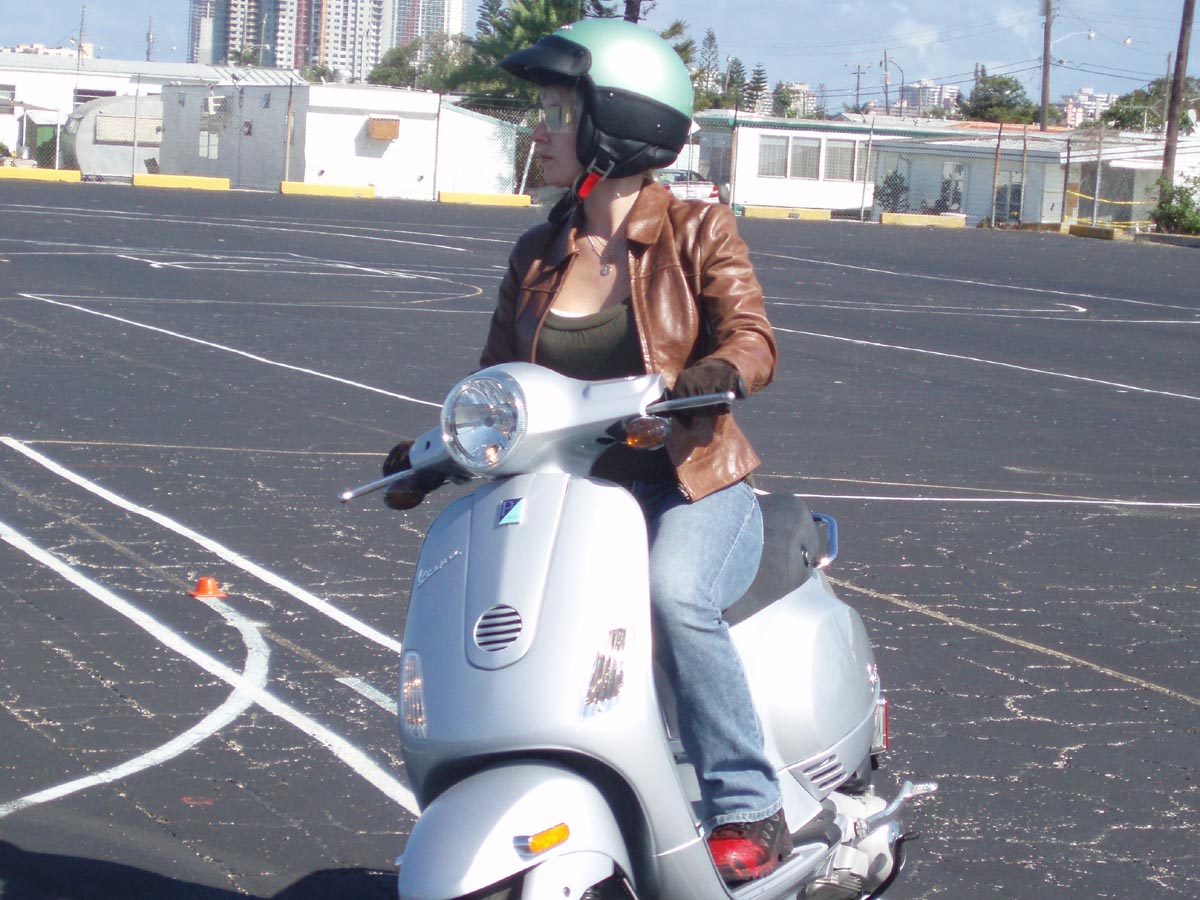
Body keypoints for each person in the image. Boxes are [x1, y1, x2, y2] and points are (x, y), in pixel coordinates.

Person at [386, 18, 788, 885]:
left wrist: (714, 373)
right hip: (570, 499)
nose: (540, 130)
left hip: (688, 485)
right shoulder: (537, 253)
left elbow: (753, 337)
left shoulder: (697, 232)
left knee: (672, 595)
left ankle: (748, 804)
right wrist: (432, 451)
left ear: (620, 125)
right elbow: (497, 384)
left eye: (560, 112)